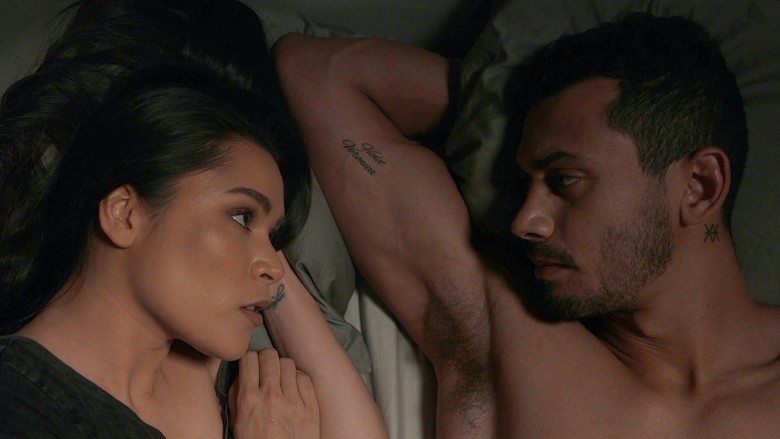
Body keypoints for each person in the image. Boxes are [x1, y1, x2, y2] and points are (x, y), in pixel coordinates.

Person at [275, 12, 780, 437]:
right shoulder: (503, 336)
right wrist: (500, 112)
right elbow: (315, 73)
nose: (524, 221)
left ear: (701, 186)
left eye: (565, 180)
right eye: (523, 184)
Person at [0, 1, 387, 437]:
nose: (277, 267)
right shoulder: (18, 403)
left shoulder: (212, 359)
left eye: (275, 238)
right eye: (241, 216)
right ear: (124, 215)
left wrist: (259, 249)